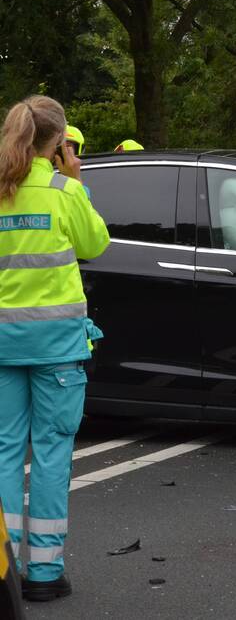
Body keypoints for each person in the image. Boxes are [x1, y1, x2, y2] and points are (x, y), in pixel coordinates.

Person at [0, 96, 109, 601]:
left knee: (4, 451)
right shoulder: (66, 192)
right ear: (61, 143)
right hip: (58, 350)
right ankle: (44, 574)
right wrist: (77, 183)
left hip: (3, 345)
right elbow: (95, 245)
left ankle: (3, 572)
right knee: (50, 452)